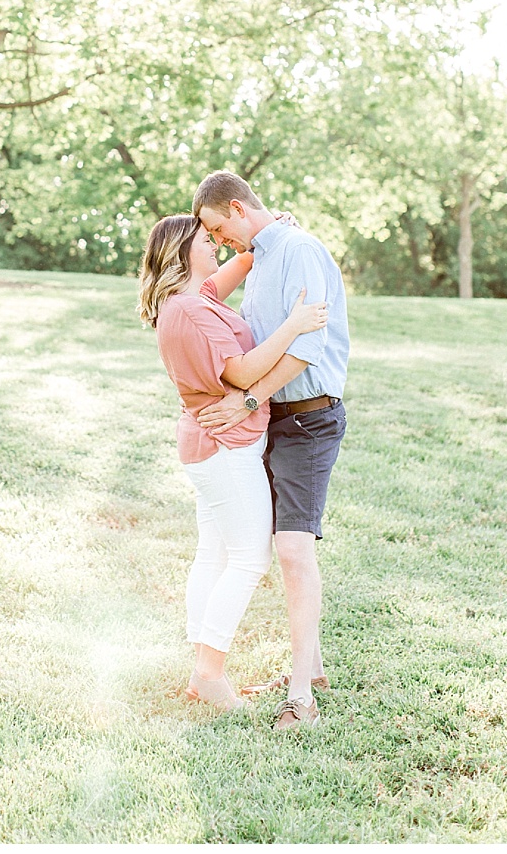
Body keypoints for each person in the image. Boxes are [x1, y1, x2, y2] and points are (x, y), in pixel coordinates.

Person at [138, 214, 329, 712]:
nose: (216, 245)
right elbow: (241, 372)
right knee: (248, 558)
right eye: (207, 241)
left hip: (205, 443)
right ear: (184, 253)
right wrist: (296, 323)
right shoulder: (192, 311)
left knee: (215, 552)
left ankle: (200, 663)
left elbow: (231, 270)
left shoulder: (187, 300)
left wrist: (260, 239)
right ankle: (208, 673)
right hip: (226, 445)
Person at [192, 170, 350, 731]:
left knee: (291, 551)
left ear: (236, 207)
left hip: (306, 420)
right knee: (276, 545)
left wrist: (246, 399)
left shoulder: (300, 250)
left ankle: (302, 697)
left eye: (217, 228)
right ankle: (314, 667)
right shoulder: (260, 256)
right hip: (269, 423)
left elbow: (307, 346)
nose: (218, 242)